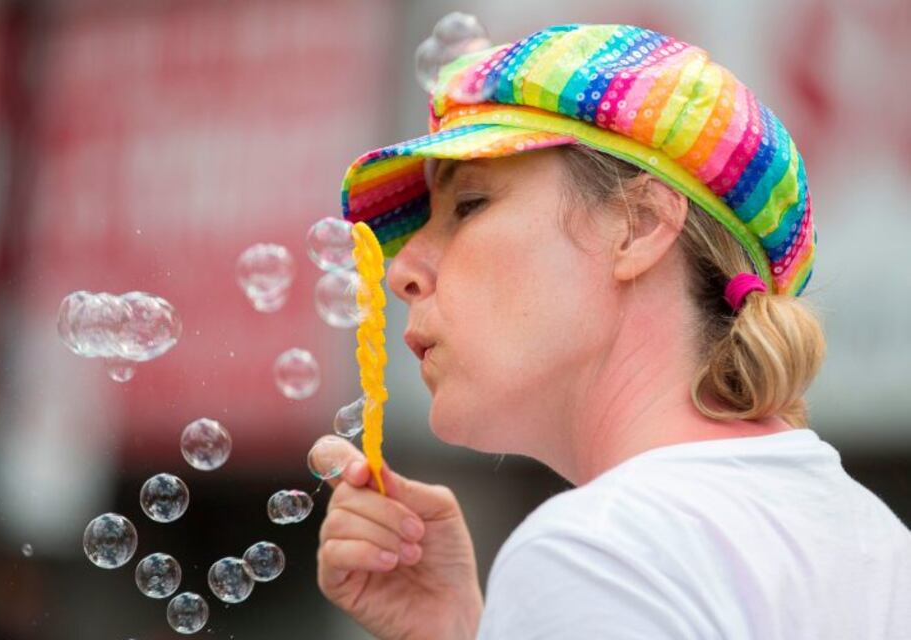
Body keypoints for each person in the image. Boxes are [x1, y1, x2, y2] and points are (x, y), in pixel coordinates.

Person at [315, 23, 911, 639]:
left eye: (470, 205)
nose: (402, 272)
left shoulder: (596, 552)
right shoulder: (876, 542)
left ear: (640, 224)